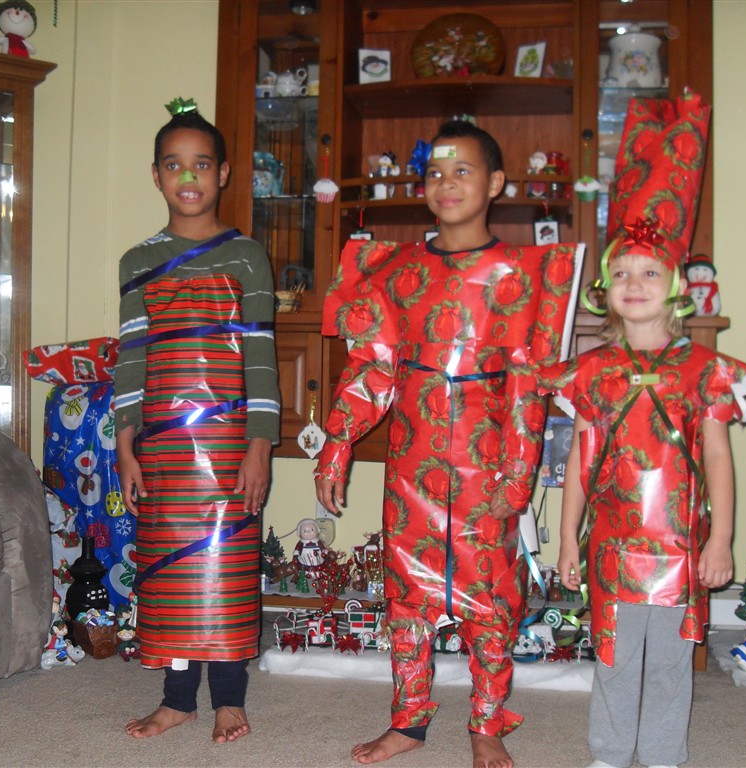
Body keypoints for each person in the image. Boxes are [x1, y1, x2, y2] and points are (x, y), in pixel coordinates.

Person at [315, 120, 582, 768]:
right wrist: (337, 444)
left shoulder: (521, 275)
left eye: (463, 170)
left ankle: (487, 723)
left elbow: (528, 384)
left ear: (496, 183)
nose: (447, 183)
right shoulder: (398, 269)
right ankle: (408, 721)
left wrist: (518, 473)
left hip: (489, 463)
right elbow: (374, 364)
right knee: (406, 593)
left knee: (491, 597)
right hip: (412, 463)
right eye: (435, 172)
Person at [545, 90, 746, 768]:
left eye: (650, 271)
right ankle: (611, 753)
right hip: (612, 547)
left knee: (669, 661)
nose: (633, 282)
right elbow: (581, 458)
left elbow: (718, 458)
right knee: (612, 656)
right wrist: (567, 538)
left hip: (678, 548)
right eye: (620, 273)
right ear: (605, 288)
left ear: (676, 285)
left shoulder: (703, 370)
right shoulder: (594, 371)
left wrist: (720, 539)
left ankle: (664, 755)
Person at [113, 98, 279, 745]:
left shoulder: (247, 257)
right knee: (170, 569)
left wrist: (260, 446)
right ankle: (178, 698)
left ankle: (229, 698)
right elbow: (132, 358)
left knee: (225, 568)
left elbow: (261, 359)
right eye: (174, 164)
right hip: (161, 446)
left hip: (229, 442)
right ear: (156, 174)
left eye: (202, 164)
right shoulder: (136, 262)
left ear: (224, 173)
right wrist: (125, 447)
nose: (188, 176)